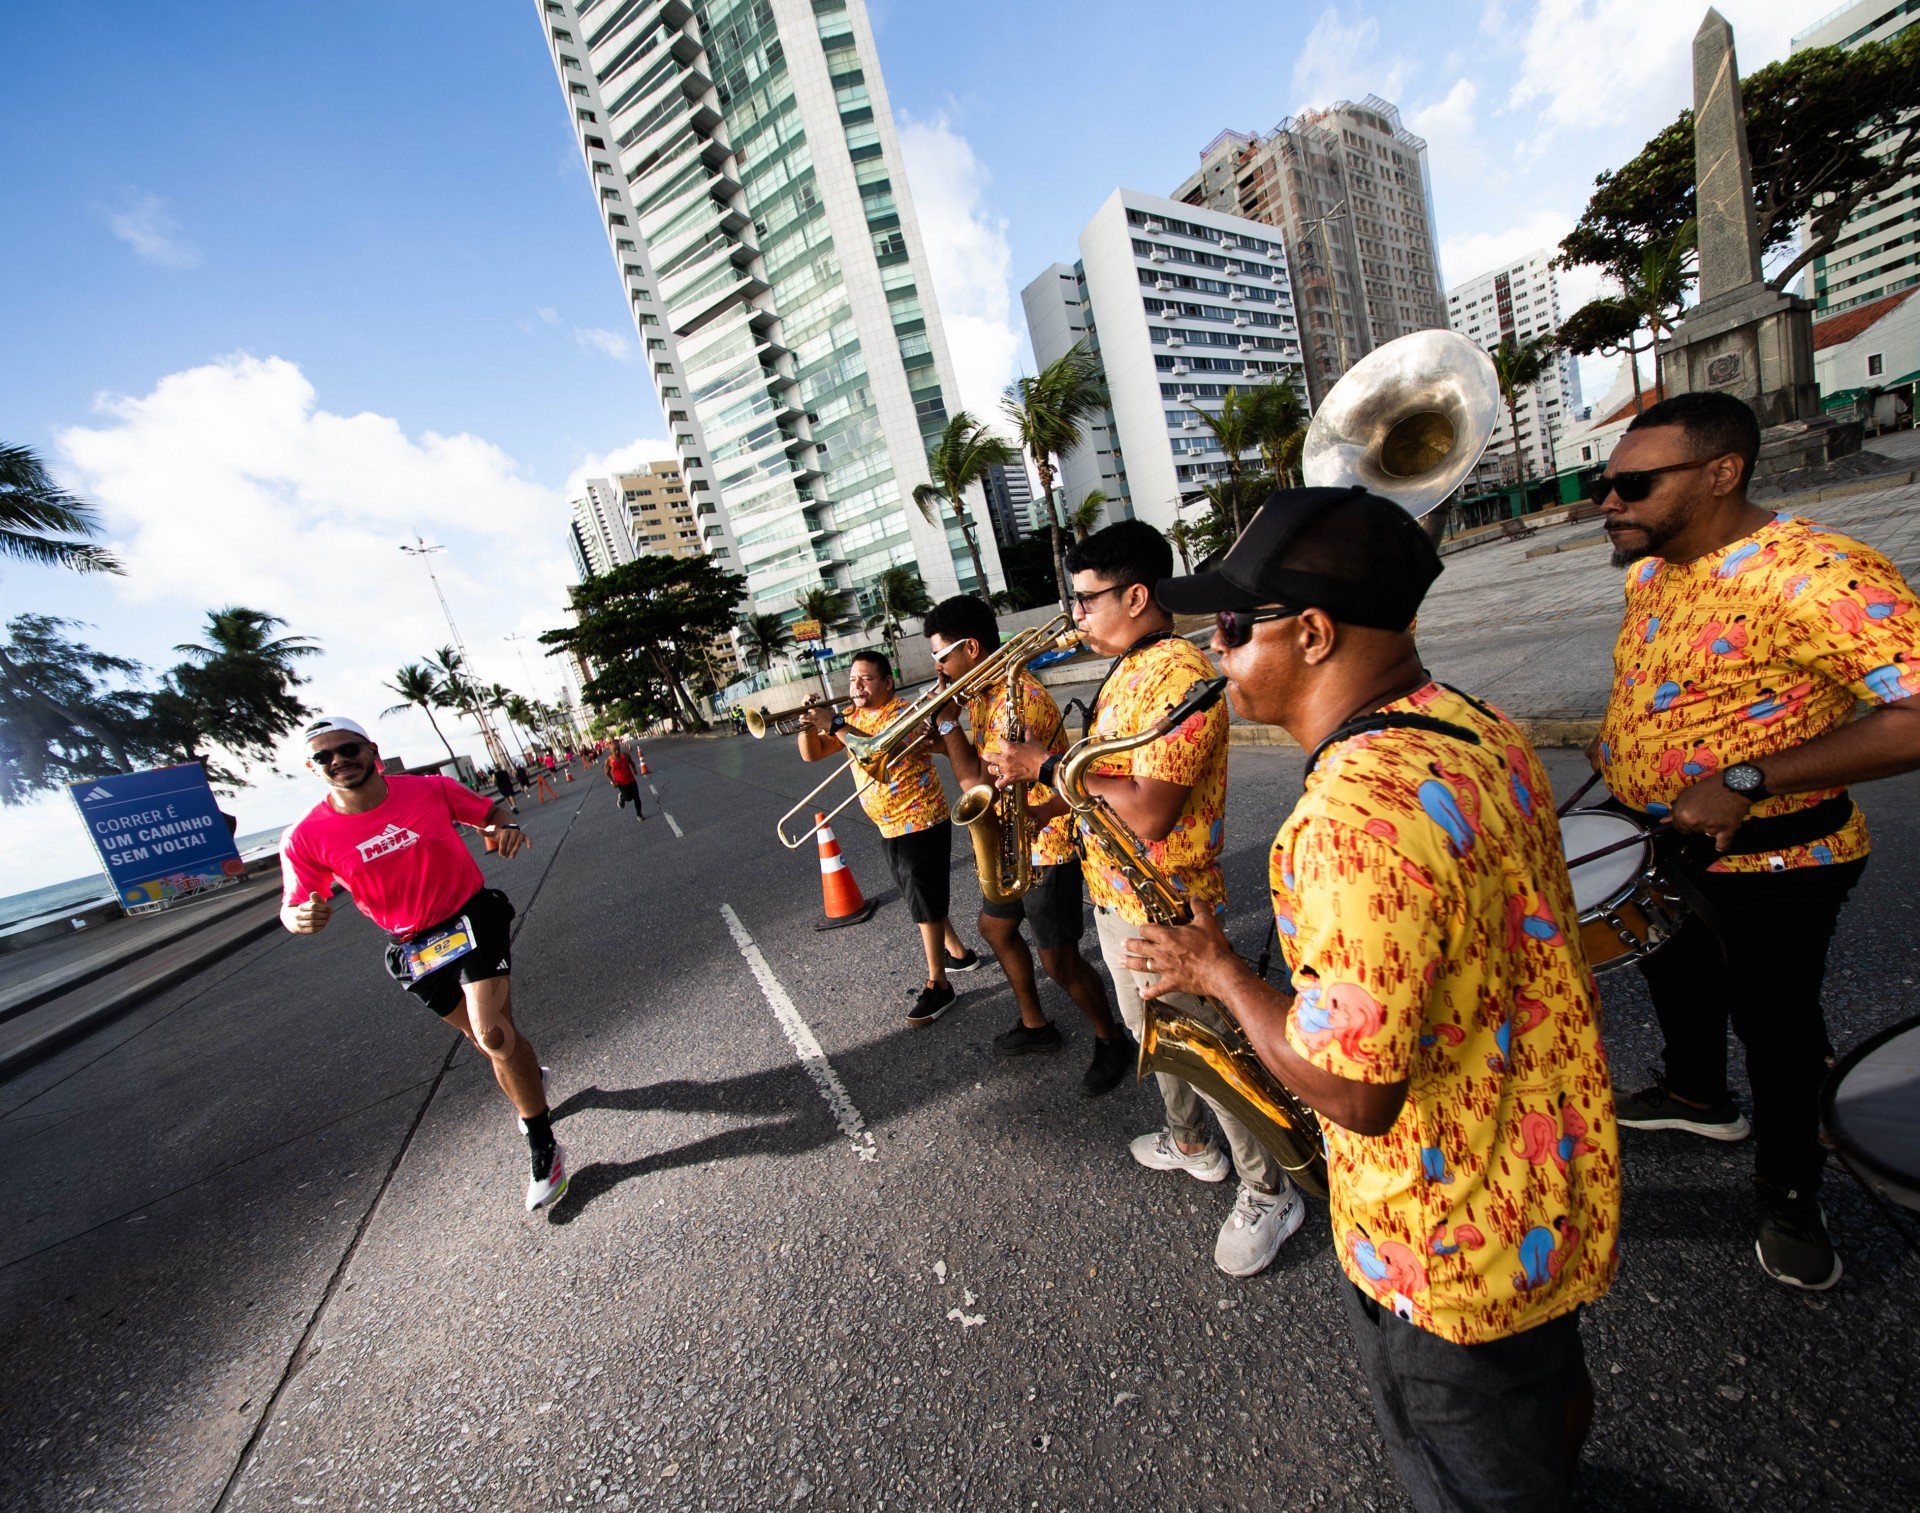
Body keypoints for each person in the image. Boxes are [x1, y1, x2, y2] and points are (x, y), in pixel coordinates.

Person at [1135, 487, 1621, 1507]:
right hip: (1549, 1172)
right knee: (1543, 1404)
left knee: (1469, 1464)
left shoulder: (1348, 817)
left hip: (1444, 1246)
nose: (1218, 656)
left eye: (1231, 627)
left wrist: (1218, 971)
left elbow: (1357, 1097)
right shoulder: (1476, 724)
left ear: (1312, 632)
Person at [1591, 391, 1920, 1290]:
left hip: (1782, 858)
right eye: (1603, 482)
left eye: (1632, 484)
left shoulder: (1819, 574)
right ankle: (1698, 1095)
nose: (1608, 501)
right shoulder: (1650, 570)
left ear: (1722, 473)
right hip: (1662, 840)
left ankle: (1791, 1185)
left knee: (1777, 1024)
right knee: (1676, 970)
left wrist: (1749, 779)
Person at [994, 520, 1301, 1278]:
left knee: (1208, 1052)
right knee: (1153, 1030)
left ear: (1137, 595)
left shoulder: (1176, 674)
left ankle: (1271, 1188)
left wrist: (1047, 764)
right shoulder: (1130, 668)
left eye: (1087, 599)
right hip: (1115, 885)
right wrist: (1035, 801)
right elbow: (1101, 792)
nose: (1077, 615)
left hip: (1167, 902)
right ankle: (1189, 1139)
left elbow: (1151, 808)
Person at [278, 716, 568, 1212]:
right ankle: (529, 1083)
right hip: (413, 947)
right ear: (313, 767)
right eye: (324, 756)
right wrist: (299, 916)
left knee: (494, 1033)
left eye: (347, 748)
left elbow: (490, 814)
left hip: (471, 915)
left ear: (371, 749)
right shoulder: (304, 838)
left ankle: (544, 1146)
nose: (338, 761)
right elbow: (291, 907)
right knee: (486, 1040)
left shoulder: (429, 789)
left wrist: (506, 827)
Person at [922, 594, 1134, 1096]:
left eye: (939, 656)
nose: (938, 668)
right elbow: (975, 763)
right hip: (1012, 838)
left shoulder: (1018, 701)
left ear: (970, 648)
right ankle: (1035, 1024)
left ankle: (1112, 1037)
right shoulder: (982, 693)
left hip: (1047, 841)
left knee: (1058, 960)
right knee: (994, 928)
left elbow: (974, 781)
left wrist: (948, 725)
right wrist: (936, 732)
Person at [797, 649, 981, 1024]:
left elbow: (880, 751)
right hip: (889, 825)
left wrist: (834, 724)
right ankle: (959, 954)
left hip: (920, 819)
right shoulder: (851, 717)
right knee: (920, 896)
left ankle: (939, 984)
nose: (857, 686)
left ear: (887, 682)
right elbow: (811, 755)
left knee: (923, 900)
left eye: (865, 679)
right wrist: (806, 725)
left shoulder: (901, 713)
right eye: (852, 680)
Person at [605, 744, 645, 821]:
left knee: (636, 797)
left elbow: (632, 763)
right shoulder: (609, 761)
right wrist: (612, 782)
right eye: (615, 750)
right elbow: (607, 773)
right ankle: (622, 797)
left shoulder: (625, 755)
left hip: (631, 780)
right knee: (628, 798)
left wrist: (634, 769)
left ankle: (639, 814)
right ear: (611, 751)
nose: (617, 752)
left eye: (618, 750)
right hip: (621, 783)